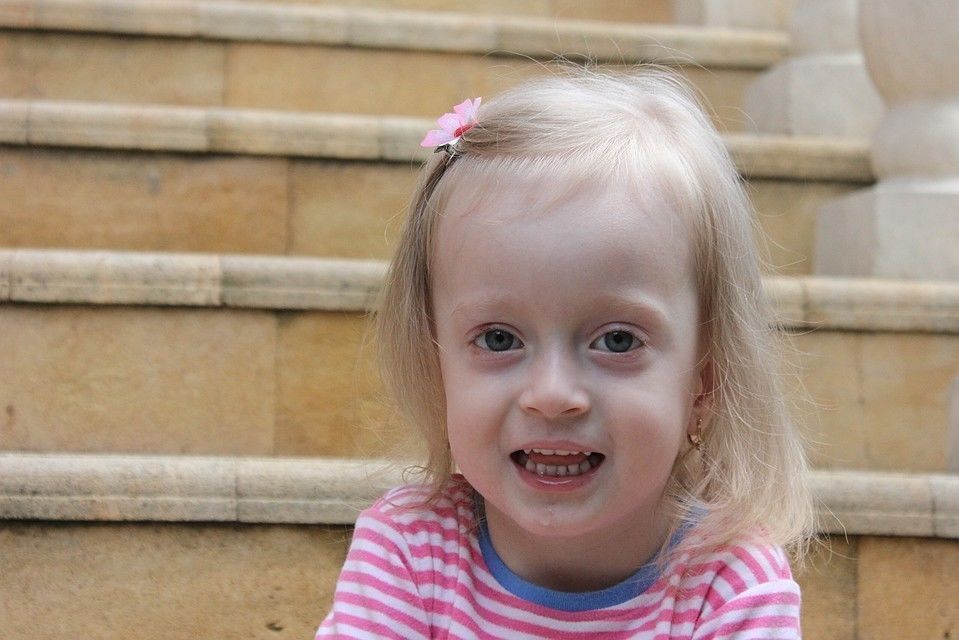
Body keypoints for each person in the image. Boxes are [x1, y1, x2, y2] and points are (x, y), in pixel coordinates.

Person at [316, 67, 815, 639]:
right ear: (436, 366)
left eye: (618, 340)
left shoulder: (730, 584)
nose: (552, 395)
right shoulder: (409, 554)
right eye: (499, 339)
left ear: (706, 380)